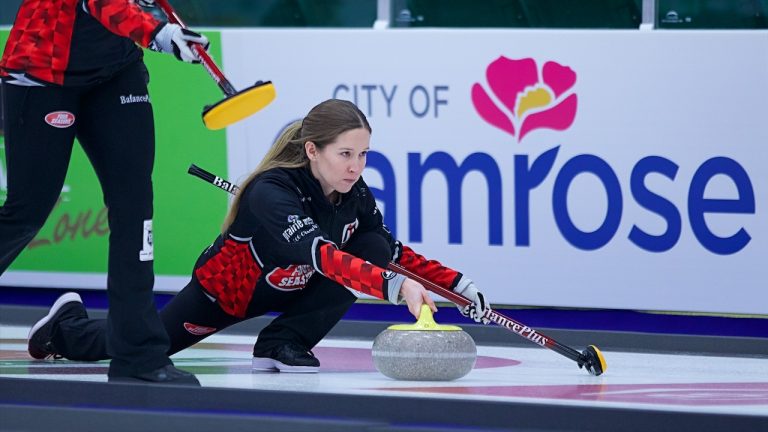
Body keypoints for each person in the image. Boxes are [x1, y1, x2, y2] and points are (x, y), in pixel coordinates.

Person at [27, 99, 491, 373]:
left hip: (297, 284)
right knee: (139, 348)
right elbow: (320, 254)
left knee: (371, 248)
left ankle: (281, 343)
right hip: (227, 294)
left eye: (364, 155)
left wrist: (458, 286)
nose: (356, 166)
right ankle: (64, 328)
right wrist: (396, 287)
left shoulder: (355, 194)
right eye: (346, 153)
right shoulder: (272, 192)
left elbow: (389, 252)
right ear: (312, 150)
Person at [0, 0, 210, 384]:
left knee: (135, 206)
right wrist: (158, 33)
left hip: (116, 70)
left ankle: (139, 356)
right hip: (44, 70)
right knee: (27, 210)